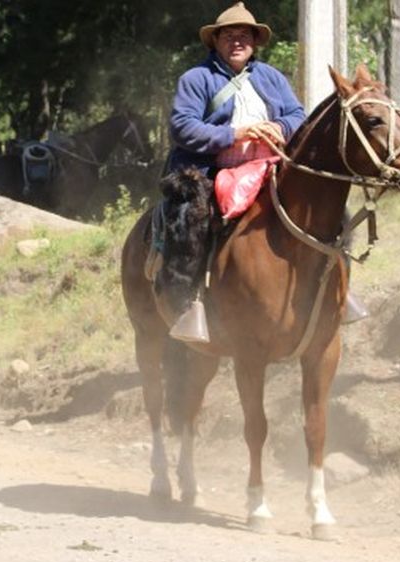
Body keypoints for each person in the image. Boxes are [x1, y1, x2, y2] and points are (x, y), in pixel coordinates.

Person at [162, 2, 367, 342]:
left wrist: (275, 126)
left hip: (269, 164)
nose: (237, 41)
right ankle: (190, 303)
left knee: (334, 215)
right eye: (229, 35)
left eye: (245, 35)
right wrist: (236, 133)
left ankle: (339, 292)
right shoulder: (196, 79)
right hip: (211, 168)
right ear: (216, 41)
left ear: (255, 41)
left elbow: (298, 118)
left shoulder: (271, 77)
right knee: (192, 220)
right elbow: (183, 128)